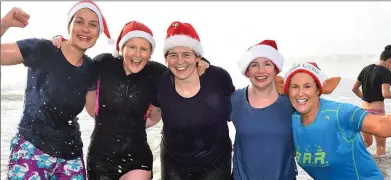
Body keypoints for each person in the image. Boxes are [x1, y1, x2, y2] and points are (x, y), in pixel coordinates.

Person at [50, 21, 209, 179]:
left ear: (150, 53)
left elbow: (183, 74)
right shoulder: (103, 63)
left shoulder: (157, 73)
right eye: (132, 47)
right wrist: (61, 42)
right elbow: (76, 63)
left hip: (137, 157)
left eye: (144, 49)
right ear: (120, 48)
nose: (137, 54)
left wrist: (202, 63)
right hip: (100, 157)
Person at [282, 62, 391, 180]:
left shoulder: (340, 113)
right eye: (294, 87)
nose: (300, 93)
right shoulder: (290, 120)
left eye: (307, 86)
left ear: (319, 90)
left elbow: (382, 124)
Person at [1, 1, 113, 179]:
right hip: (31, 149)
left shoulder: (91, 68)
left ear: (98, 34)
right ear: (69, 25)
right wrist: (4, 23)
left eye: (93, 25)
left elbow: (94, 111)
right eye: (79, 22)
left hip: (71, 157)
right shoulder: (43, 49)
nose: (85, 29)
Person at [150, 21, 234, 180]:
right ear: (166, 59)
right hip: (173, 164)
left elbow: (238, 109)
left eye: (186, 54)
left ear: (198, 57)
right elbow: (153, 114)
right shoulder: (161, 82)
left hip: (215, 163)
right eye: (173, 55)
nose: (180, 61)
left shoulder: (218, 78)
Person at [230, 39, 297, 180]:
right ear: (247, 71)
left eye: (267, 64)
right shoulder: (235, 99)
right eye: (254, 65)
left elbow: (320, 117)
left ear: (275, 69)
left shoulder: (291, 101)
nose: (261, 71)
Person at [352, 45, 391, 156]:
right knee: (380, 146)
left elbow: (354, 88)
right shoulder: (385, 72)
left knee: (367, 142)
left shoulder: (366, 69)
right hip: (377, 113)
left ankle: (349, 154)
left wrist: (365, 97)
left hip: (362, 111)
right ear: (390, 60)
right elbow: (386, 94)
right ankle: (381, 170)